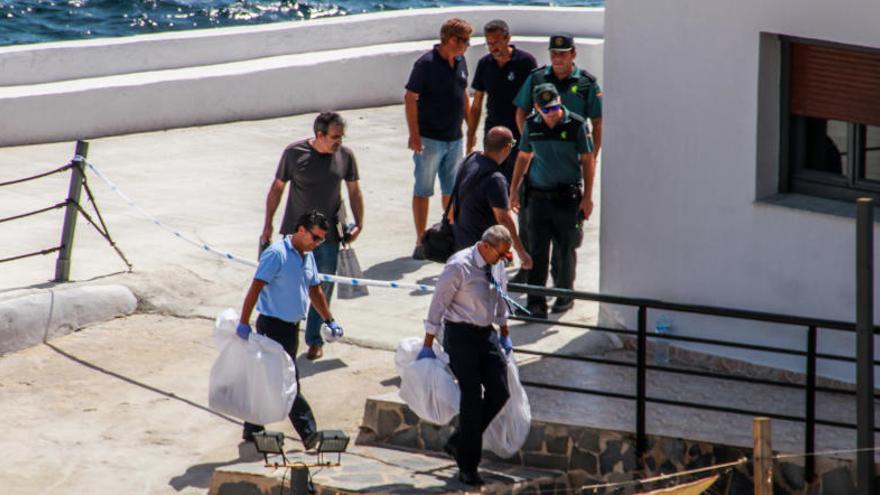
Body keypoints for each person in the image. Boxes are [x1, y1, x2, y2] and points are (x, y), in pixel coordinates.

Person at [260, 112, 364, 361]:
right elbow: (277, 188)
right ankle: (287, 333)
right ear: (319, 135)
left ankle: (315, 339)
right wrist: (268, 225)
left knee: (322, 287)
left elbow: (354, 190)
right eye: (334, 137)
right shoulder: (294, 153)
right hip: (297, 237)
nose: (339, 141)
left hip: (327, 238)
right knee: (290, 285)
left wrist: (359, 224)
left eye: (341, 136)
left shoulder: (345, 156)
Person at [417, 225, 514, 486]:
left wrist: (504, 331)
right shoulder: (459, 266)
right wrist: (427, 343)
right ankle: (468, 465)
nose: (504, 259)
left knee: (500, 392)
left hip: (486, 333)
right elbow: (438, 304)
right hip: (460, 336)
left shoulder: (496, 263)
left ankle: (460, 440)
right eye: (501, 254)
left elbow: (501, 295)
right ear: (485, 246)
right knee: (471, 398)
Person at [237, 210, 344, 448]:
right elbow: (255, 287)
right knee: (289, 378)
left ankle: (252, 427)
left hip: (291, 329)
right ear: (301, 230)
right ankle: (309, 432)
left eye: (322, 240)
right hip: (272, 327)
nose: (318, 244)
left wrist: (329, 319)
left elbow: (315, 290)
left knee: (268, 378)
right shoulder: (277, 254)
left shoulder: (307, 256)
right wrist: (243, 322)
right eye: (315, 238)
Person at [512, 33, 603, 285]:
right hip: (539, 165)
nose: (557, 58)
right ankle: (529, 271)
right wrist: (531, 141)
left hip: (570, 166)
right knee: (531, 223)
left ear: (573, 54)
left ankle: (561, 285)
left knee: (565, 236)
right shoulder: (537, 77)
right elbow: (521, 111)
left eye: (562, 54)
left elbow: (597, 122)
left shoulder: (586, 84)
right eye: (553, 54)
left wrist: (592, 155)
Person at [509, 84, 595, 318]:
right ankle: (536, 304)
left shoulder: (576, 124)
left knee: (565, 250)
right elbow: (523, 156)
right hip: (538, 198)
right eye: (546, 109)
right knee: (537, 252)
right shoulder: (532, 124)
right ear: (537, 108)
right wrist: (514, 190)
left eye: (555, 106)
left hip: (568, 199)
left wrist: (587, 197)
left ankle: (564, 296)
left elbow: (588, 160)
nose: (552, 112)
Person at [405, 18, 473, 260]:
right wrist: (414, 135)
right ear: (452, 40)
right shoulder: (425, 64)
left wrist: (471, 127)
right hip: (429, 140)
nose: (468, 46)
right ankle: (420, 240)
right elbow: (411, 97)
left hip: (455, 139)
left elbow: (463, 94)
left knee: (452, 191)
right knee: (423, 190)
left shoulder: (461, 61)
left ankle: (452, 236)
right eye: (466, 41)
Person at [451, 126, 532, 273]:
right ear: (507, 147)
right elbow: (504, 219)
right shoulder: (496, 179)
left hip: (460, 241)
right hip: (484, 250)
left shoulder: (470, 159)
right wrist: (521, 252)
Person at [466, 19, 537, 184]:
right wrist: (471, 137)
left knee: (519, 178)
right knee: (493, 178)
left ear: (507, 38)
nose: (493, 48)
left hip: (518, 133)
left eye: (496, 42)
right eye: (489, 43)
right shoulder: (484, 64)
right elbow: (476, 105)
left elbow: (536, 99)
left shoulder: (526, 62)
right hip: (494, 133)